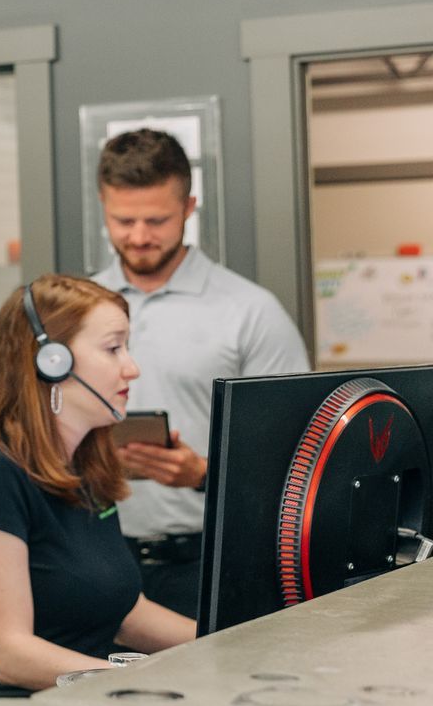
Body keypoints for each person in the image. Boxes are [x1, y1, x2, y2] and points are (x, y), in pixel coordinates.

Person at [0, 275, 195, 697]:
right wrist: (141, 684)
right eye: (113, 348)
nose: (131, 368)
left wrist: (229, 642)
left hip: (81, 698)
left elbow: (124, 615)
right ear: (51, 361)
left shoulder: (84, 466)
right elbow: (9, 654)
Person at [91, 129, 309, 618]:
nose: (140, 236)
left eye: (157, 220)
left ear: (189, 207)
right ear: (102, 205)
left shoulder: (250, 311)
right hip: (92, 552)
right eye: (123, 220)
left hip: (207, 562)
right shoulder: (75, 308)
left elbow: (296, 459)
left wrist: (203, 476)